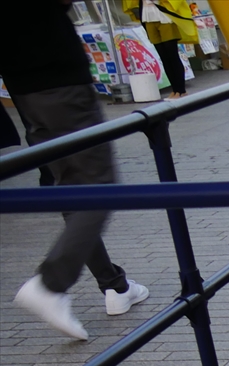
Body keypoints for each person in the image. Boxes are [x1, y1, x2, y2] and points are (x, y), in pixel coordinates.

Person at [2, 0, 149, 340]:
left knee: (72, 185)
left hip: (24, 87)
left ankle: (114, 285)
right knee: (99, 185)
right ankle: (51, 284)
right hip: (59, 76)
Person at [124, 0, 198, 99]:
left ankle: (181, 90)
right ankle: (175, 89)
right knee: (164, 57)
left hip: (164, 16)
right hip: (148, 17)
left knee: (172, 56)